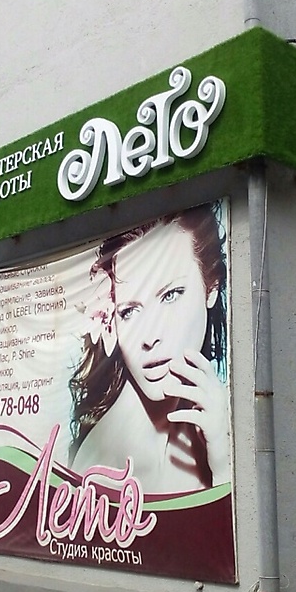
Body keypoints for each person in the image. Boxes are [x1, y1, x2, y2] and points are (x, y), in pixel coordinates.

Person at [68, 202, 231, 493]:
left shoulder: (215, 424)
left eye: (171, 295)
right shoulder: (110, 464)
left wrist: (224, 462)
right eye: (129, 311)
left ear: (212, 288)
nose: (150, 336)